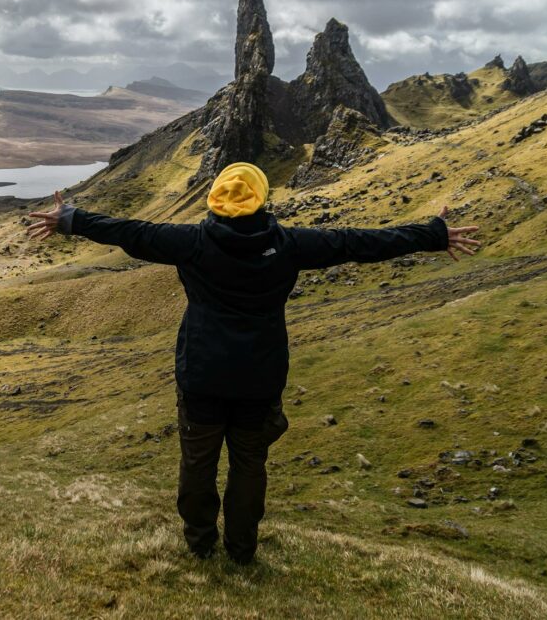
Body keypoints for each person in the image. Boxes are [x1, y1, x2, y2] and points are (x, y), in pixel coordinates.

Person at [25, 162, 480, 564]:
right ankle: (242, 550)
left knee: (197, 463)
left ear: (214, 201)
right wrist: (431, 235)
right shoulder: (291, 245)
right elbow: (357, 243)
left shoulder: (190, 242)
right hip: (260, 378)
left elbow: (131, 232)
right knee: (249, 464)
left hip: (202, 374)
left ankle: (200, 544)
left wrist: (72, 219)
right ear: (262, 199)